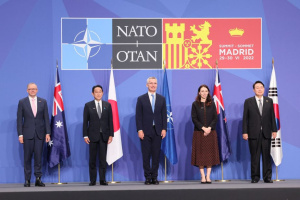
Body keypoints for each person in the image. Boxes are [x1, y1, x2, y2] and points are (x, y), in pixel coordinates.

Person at [17, 83, 51, 187]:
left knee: (38, 157)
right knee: (27, 158)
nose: (32, 90)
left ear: (37, 90)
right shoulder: (22, 102)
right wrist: (20, 135)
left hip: (40, 134)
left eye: (34, 89)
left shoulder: (43, 102)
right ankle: (27, 180)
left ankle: (38, 179)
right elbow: (19, 120)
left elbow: (46, 118)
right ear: (27, 90)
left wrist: (48, 133)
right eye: (30, 89)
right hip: (27, 134)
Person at [243, 81, 277, 183]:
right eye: (257, 87)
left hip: (266, 132)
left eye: (261, 87)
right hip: (253, 133)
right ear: (254, 90)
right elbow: (245, 118)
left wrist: (274, 130)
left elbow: (272, 116)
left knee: (267, 156)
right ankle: (255, 177)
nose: (259, 89)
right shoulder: (248, 101)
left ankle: (267, 177)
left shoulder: (269, 101)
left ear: (264, 89)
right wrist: (245, 132)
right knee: (255, 156)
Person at [136, 77, 167, 185]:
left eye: (155, 83)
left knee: (156, 155)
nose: (153, 85)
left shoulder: (161, 99)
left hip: (158, 131)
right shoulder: (141, 99)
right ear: (147, 85)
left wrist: (164, 129)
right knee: (146, 155)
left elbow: (164, 115)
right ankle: (147, 177)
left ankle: (154, 177)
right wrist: (139, 130)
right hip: (145, 131)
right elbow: (138, 116)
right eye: (151, 83)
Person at [83, 85, 113, 186]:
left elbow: (110, 121)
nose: (98, 94)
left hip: (104, 136)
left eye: (100, 92)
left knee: (102, 159)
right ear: (93, 94)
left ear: (102, 93)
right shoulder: (88, 105)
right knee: (92, 159)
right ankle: (92, 180)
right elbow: (85, 122)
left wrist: (111, 135)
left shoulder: (107, 105)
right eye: (96, 92)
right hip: (92, 136)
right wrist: (85, 135)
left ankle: (102, 179)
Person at [191, 84, 220, 184]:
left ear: (208, 93)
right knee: (200, 155)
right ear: (199, 93)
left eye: (206, 91)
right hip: (199, 133)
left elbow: (215, 118)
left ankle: (208, 176)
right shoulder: (195, 104)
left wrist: (209, 128)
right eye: (202, 91)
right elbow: (194, 118)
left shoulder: (212, 104)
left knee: (209, 155)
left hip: (211, 132)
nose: (204, 93)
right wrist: (203, 128)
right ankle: (202, 176)